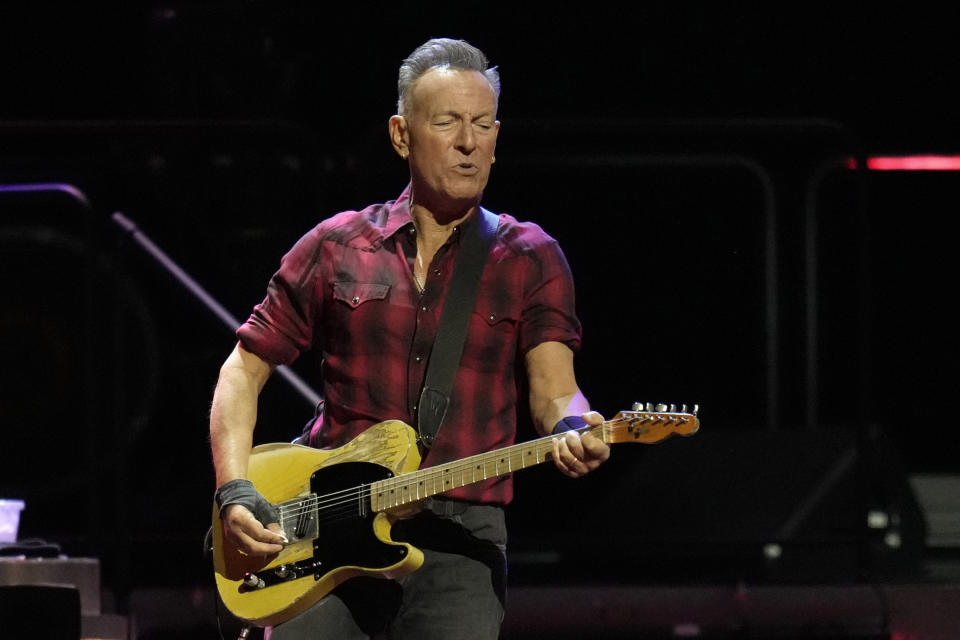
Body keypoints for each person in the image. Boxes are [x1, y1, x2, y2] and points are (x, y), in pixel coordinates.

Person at [209, 37, 610, 639]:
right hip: (325, 520)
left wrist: (574, 427)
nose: (468, 142)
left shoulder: (530, 256)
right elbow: (242, 369)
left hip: (461, 535)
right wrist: (235, 489)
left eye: (482, 124)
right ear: (401, 135)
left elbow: (556, 393)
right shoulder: (337, 245)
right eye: (447, 122)